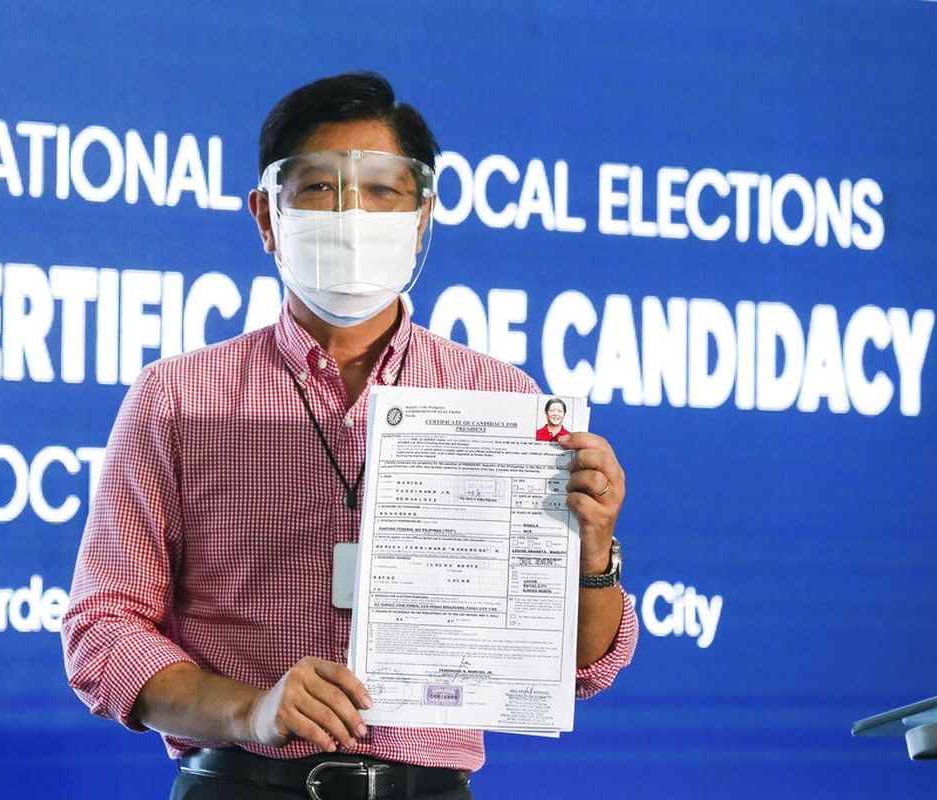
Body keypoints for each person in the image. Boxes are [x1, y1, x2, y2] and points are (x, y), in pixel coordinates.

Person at [62, 72, 637, 800]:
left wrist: (591, 554)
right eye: (317, 189)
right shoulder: (176, 399)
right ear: (267, 217)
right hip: (240, 785)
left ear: (422, 215)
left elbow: (581, 669)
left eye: (381, 192)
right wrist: (252, 708)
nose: (351, 214)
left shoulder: (503, 402)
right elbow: (103, 630)